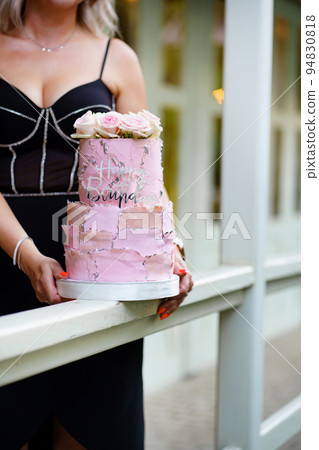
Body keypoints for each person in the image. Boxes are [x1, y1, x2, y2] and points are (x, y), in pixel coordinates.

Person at [0, 0, 193, 449]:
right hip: (4, 264)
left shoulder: (118, 57)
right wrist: (26, 256)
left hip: (99, 276)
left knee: (93, 429)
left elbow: (145, 181)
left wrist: (169, 252)